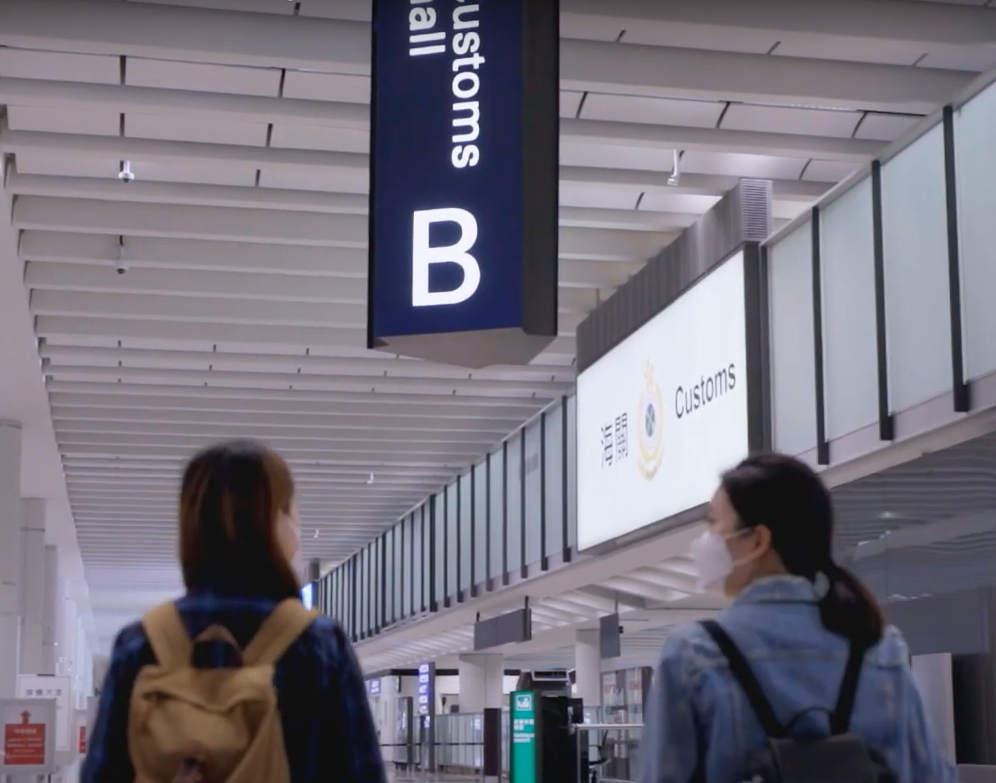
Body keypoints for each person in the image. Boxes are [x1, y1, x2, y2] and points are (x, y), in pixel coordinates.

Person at [638, 453, 956, 783]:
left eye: (713, 522)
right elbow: (931, 776)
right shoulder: (878, 647)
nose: (706, 539)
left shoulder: (694, 654)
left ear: (758, 541)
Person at [81, 440, 387, 783]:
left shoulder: (140, 644)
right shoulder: (319, 643)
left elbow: (101, 774)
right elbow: (361, 773)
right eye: (291, 511)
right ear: (276, 520)